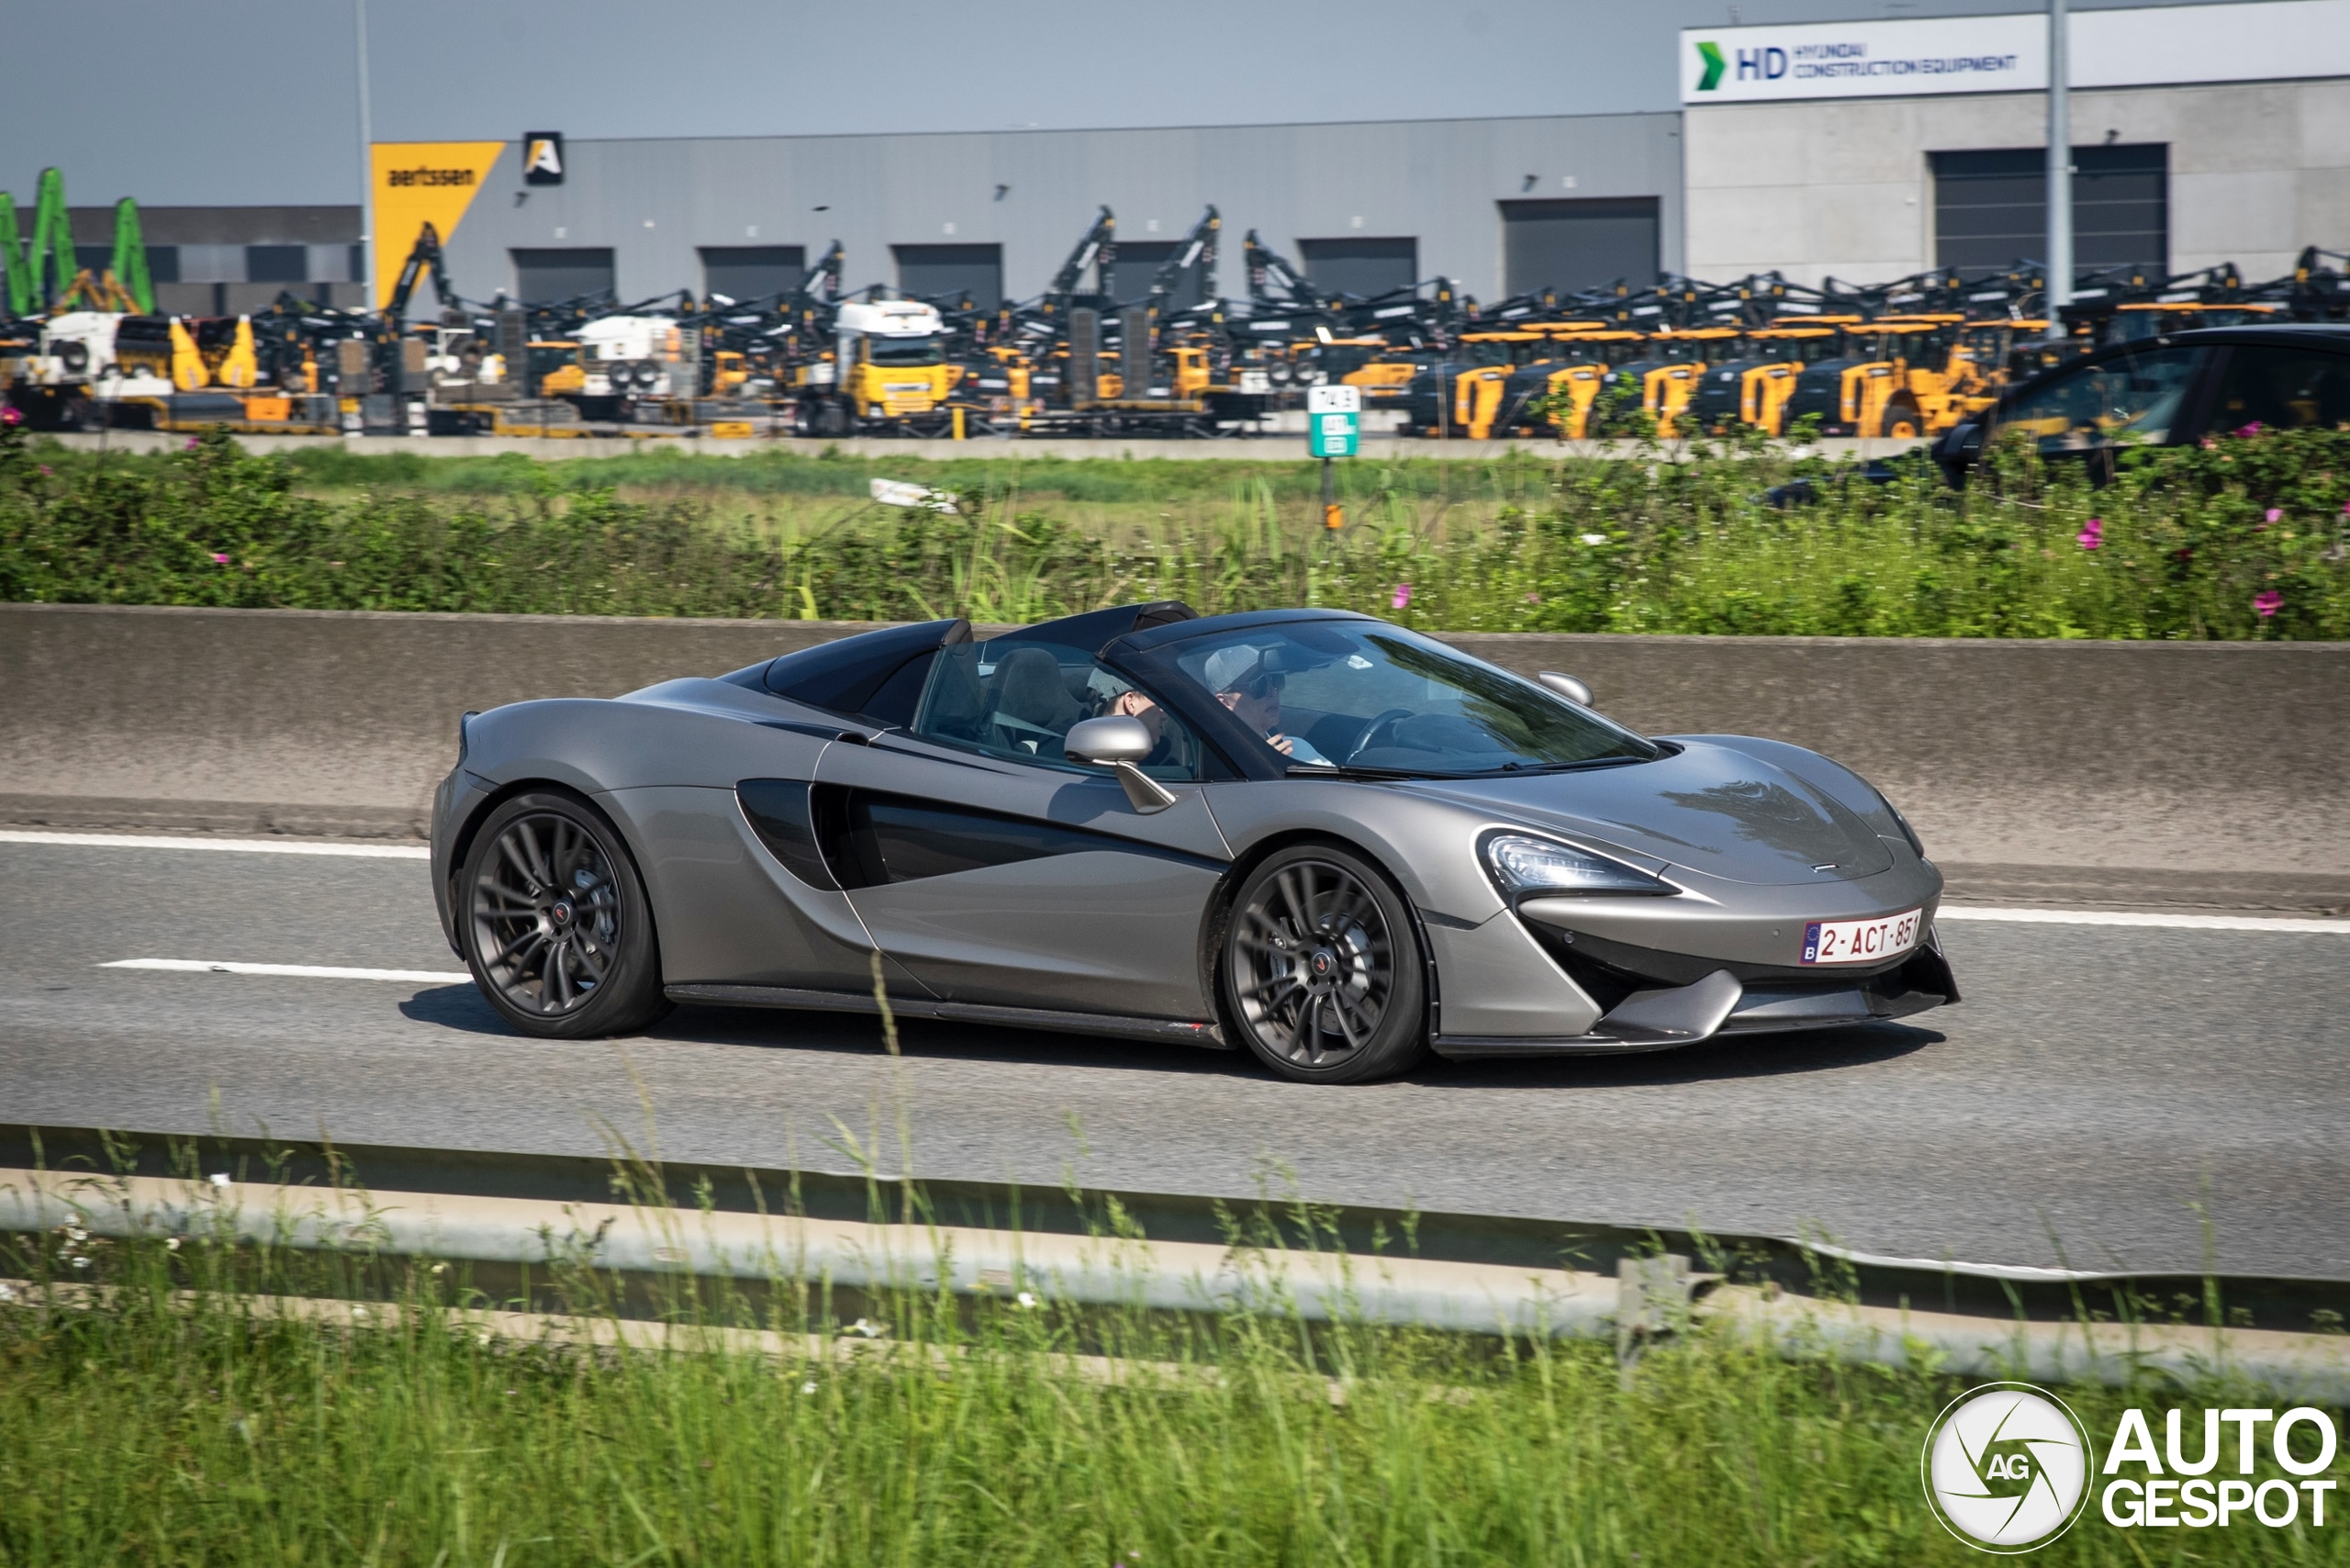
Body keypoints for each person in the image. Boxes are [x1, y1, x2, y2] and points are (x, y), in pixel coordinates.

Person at [1202, 645, 1332, 767]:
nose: (1272, 692)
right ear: (1224, 702)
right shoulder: (1221, 767)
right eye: (1258, 685)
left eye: (1275, 680)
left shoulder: (1299, 747)